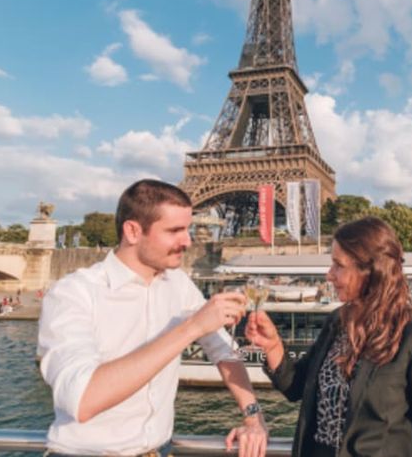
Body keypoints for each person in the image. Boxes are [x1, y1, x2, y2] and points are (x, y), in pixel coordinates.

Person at [38, 180, 268, 456]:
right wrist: (191, 328)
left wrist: (254, 418)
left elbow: (224, 352)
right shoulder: (74, 293)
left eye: (188, 229)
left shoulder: (178, 284)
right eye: (175, 231)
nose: (188, 241)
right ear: (133, 231)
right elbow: (83, 400)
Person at [246, 216, 412, 457]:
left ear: (370, 271)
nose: (329, 275)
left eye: (338, 265)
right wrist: (272, 346)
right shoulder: (337, 321)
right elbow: (296, 386)